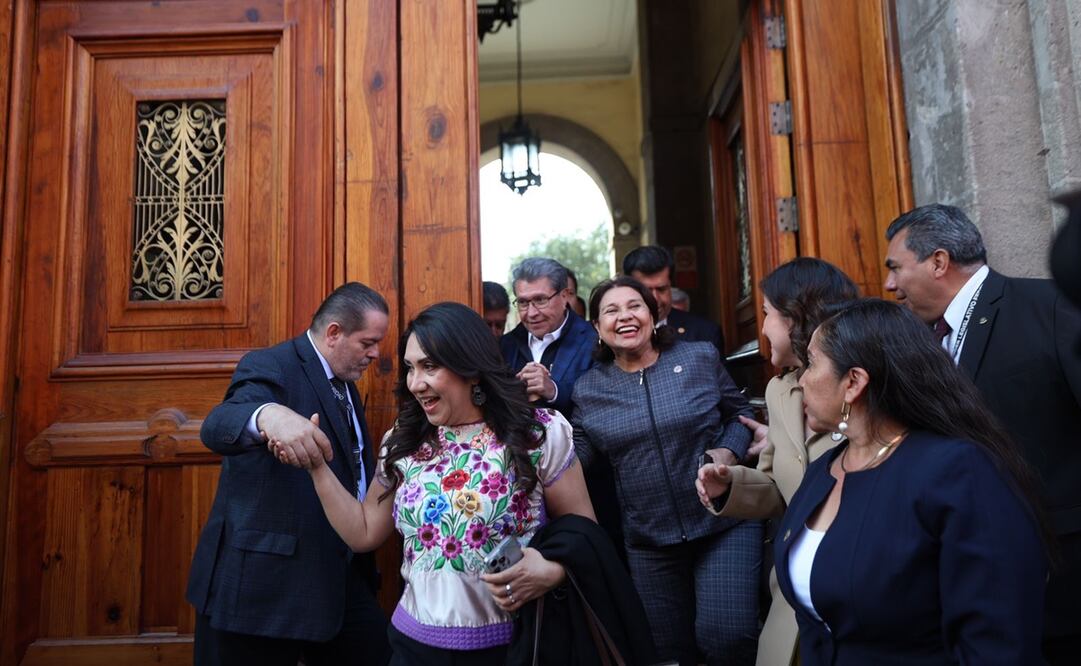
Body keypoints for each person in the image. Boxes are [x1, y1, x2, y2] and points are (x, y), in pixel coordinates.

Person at [276, 302, 596, 665]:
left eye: (430, 366)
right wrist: (318, 467)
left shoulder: (538, 433)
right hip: (415, 647)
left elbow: (584, 534)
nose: (415, 383)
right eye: (410, 368)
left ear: (470, 367)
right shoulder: (405, 440)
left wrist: (551, 572)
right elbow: (363, 532)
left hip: (516, 646)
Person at [758, 299, 1050, 664]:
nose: (800, 381)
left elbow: (999, 640)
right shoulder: (824, 471)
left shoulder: (957, 473)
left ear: (854, 383)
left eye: (812, 363)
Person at [883, 203, 1081, 662]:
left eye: (895, 268)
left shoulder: (1048, 306)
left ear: (938, 261)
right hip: (988, 584)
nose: (889, 285)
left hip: (1066, 580)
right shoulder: (925, 342)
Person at [187, 282, 392, 666]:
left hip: (340, 579)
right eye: (368, 342)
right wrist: (268, 415)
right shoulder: (271, 364)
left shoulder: (345, 382)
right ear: (334, 333)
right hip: (263, 589)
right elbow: (218, 425)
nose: (376, 353)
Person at [572, 276, 759, 666]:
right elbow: (578, 452)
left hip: (723, 522)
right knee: (666, 655)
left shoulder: (699, 358)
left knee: (727, 637)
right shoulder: (588, 389)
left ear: (653, 314)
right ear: (597, 327)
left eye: (634, 306)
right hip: (649, 540)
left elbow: (739, 414)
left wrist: (726, 452)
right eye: (611, 310)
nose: (624, 316)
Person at [696, 257, 858, 666]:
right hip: (790, 609)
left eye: (767, 314)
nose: (762, 327)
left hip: (854, 597)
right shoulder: (778, 391)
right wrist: (729, 485)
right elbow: (779, 488)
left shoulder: (864, 386)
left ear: (796, 316)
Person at [499, 258, 596, 417]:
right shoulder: (504, 346)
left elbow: (601, 404)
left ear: (564, 296)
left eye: (540, 300)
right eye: (523, 302)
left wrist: (553, 390)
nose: (532, 313)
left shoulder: (593, 340)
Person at [623, 245, 725, 357]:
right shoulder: (610, 336)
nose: (655, 298)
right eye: (646, 291)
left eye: (661, 289)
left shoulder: (704, 333)